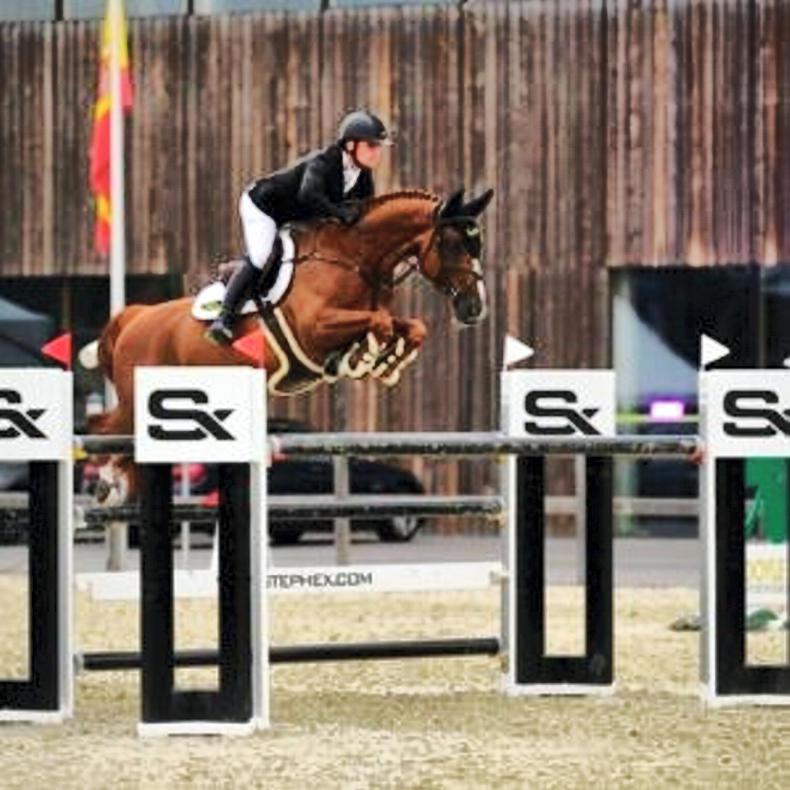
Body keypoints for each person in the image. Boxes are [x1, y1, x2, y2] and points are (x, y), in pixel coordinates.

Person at [204, 109, 392, 345]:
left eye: (379, 147)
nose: (378, 152)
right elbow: (308, 194)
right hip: (263, 206)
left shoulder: (363, 176)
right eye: (372, 146)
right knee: (262, 256)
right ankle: (224, 319)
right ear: (351, 145)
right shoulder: (324, 163)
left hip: (294, 216)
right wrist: (340, 213)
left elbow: (363, 211)